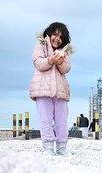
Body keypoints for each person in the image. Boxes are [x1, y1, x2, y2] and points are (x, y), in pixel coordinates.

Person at [29, 22, 73, 156]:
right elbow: (39, 64)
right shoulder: (40, 46)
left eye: (61, 37)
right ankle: (48, 147)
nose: (57, 39)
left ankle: (62, 147)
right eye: (55, 34)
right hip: (42, 90)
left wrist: (60, 62)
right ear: (49, 34)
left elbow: (66, 69)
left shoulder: (65, 52)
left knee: (61, 120)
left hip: (60, 91)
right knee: (45, 119)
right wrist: (51, 60)